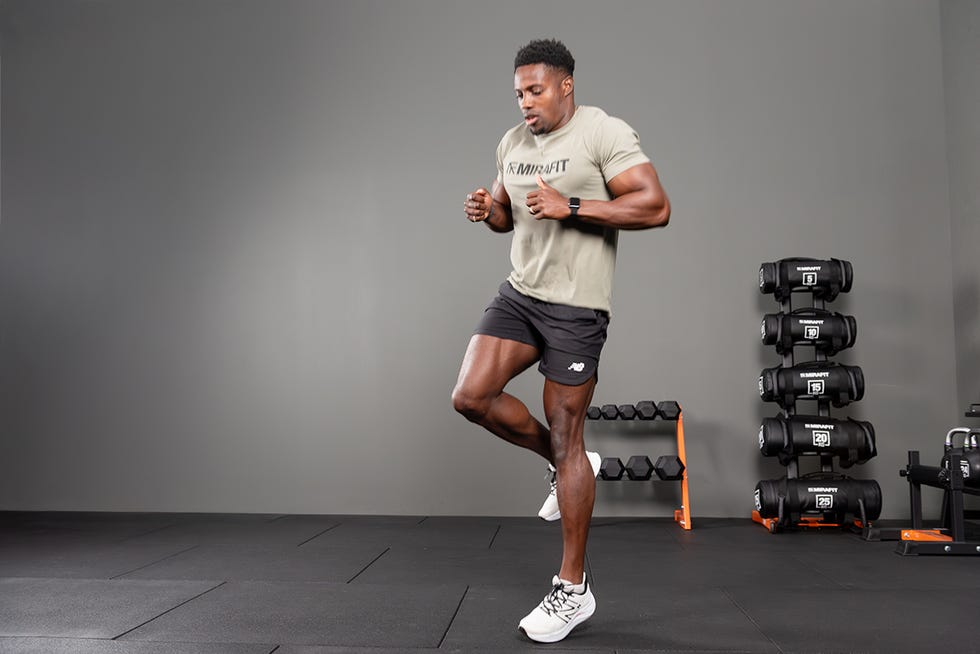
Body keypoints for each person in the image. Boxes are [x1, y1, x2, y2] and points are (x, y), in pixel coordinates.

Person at [452, 38, 670, 644]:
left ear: (566, 85)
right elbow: (507, 214)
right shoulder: (513, 142)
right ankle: (564, 463)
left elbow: (655, 206)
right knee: (471, 397)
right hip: (521, 293)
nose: (526, 102)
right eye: (519, 92)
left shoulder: (603, 132)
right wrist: (485, 209)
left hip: (577, 306)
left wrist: (572, 204)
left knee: (570, 433)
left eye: (536, 90)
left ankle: (572, 589)